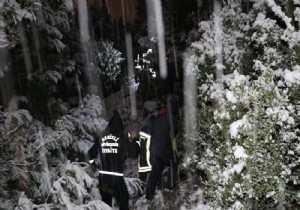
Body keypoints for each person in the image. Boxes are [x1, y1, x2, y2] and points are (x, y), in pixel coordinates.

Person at [87, 110, 129, 210]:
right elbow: (134, 149)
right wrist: (136, 140)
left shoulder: (102, 136)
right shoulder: (121, 136)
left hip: (103, 178)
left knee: (106, 206)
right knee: (124, 201)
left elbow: (90, 153)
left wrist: (93, 164)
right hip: (117, 178)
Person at [145, 96, 179, 200]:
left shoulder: (155, 119)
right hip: (165, 148)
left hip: (155, 150)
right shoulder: (170, 117)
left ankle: (148, 194)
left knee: (154, 171)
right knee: (174, 161)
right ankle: (170, 186)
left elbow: (150, 133)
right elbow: (174, 131)